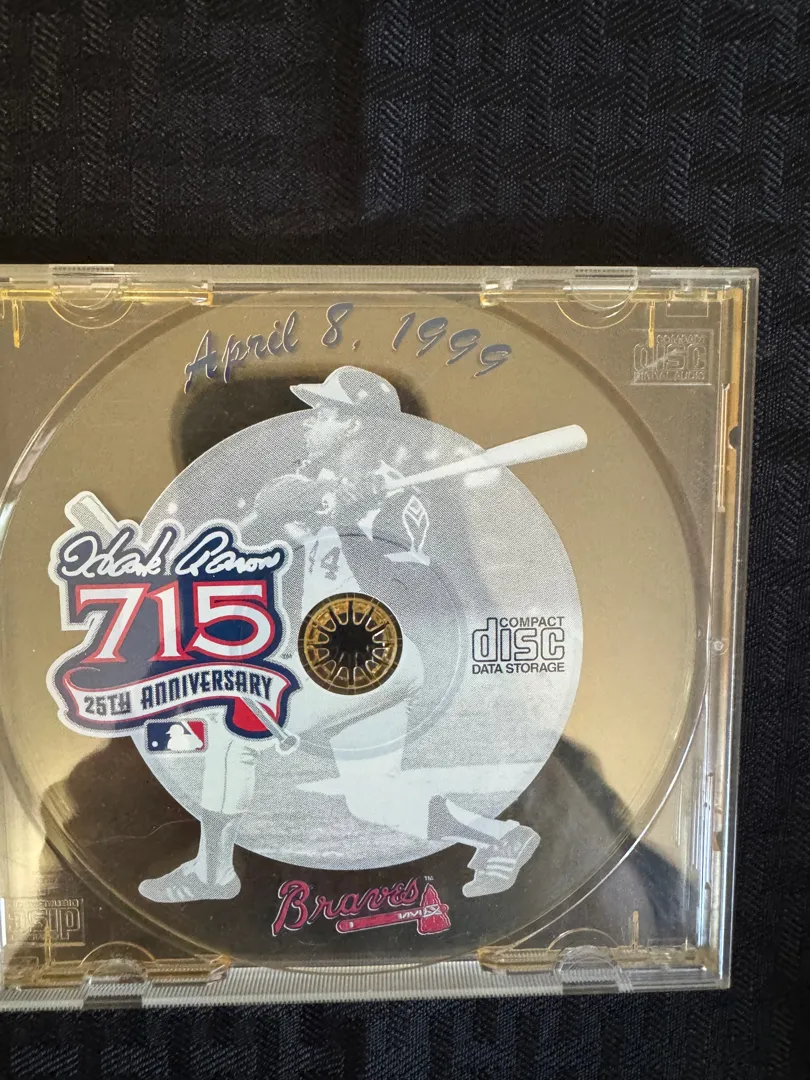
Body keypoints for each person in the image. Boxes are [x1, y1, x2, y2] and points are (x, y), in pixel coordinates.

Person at [139, 367, 540, 903]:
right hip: (343, 657)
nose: (310, 423)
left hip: (380, 653)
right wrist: (300, 506)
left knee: (236, 731)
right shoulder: (312, 486)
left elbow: (412, 580)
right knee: (372, 797)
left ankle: (212, 874)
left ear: (353, 425)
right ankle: (500, 836)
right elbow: (263, 525)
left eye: (325, 414)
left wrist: (364, 509)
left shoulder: (401, 498)